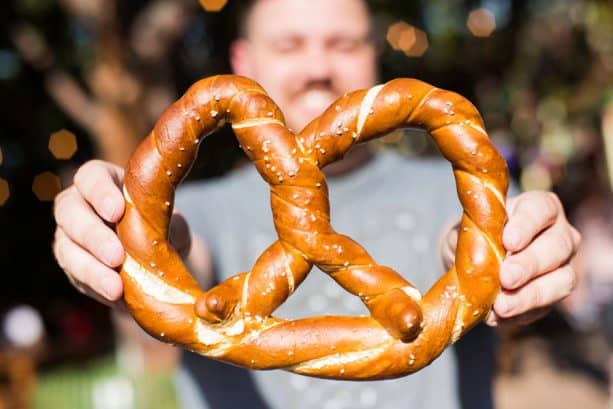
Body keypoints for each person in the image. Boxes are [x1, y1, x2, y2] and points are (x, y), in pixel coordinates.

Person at [52, 0, 581, 408]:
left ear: (374, 54)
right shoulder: (199, 209)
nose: (318, 68)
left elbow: (475, 245)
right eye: (289, 45)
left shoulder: (446, 190)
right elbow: (179, 264)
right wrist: (127, 237)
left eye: (344, 44)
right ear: (243, 60)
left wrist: (515, 257)